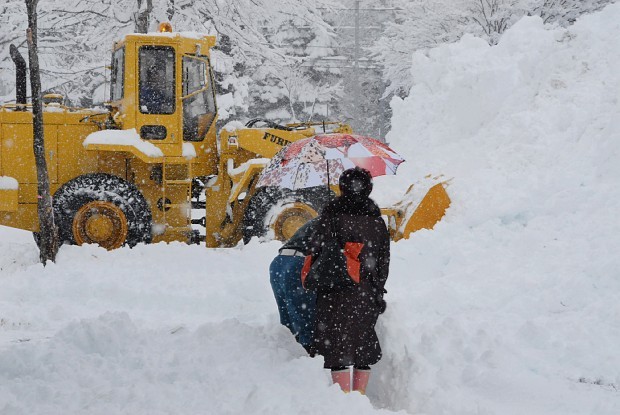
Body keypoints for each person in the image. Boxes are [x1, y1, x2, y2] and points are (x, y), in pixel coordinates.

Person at [308, 167, 390, 394]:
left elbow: (314, 250)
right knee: (362, 345)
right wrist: (377, 288)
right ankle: (358, 399)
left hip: (335, 290)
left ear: (342, 187)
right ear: (368, 188)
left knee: (338, 347)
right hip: (366, 292)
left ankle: (343, 402)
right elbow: (383, 261)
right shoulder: (377, 222)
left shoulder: (331, 217)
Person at [269, 218, 318, 351]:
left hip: (278, 263)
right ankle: (308, 358)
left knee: (288, 321)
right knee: (307, 320)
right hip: (297, 264)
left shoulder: (319, 221)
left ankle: (287, 357)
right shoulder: (337, 224)